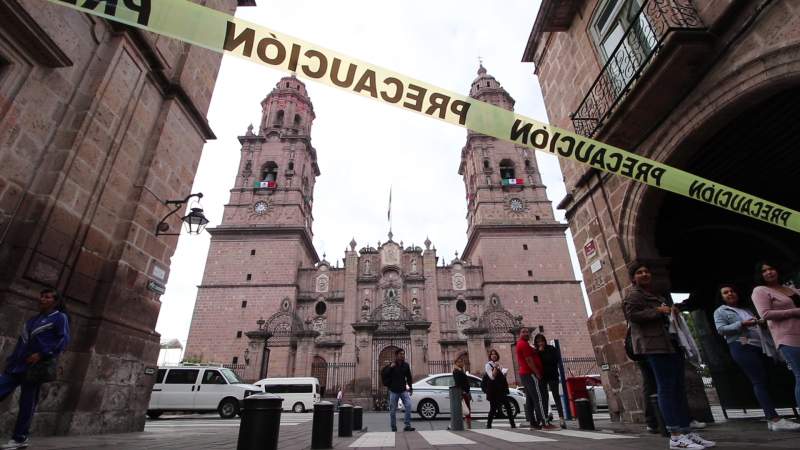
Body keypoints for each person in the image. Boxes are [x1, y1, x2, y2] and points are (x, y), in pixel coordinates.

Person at [623, 262, 714, 449]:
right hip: (653, 345)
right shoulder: (633, 296)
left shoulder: (656, 294)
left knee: (678, 389)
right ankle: (675, 434)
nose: (644, 274)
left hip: (670, 343)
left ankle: (686, 431)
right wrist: (657, 311)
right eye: (639, 272)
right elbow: (632, 315)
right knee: (666, 388)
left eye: (647, 271)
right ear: (633, 278)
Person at [715, 283, 799, 431]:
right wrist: (741, 323)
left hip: (761, 346)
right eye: (726, 292)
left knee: (769, 379)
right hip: (742, 346)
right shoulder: (721, 311)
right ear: (721, 297)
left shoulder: (746, 309)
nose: (730, 294)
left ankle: (774, 416)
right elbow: (721, 330)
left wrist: (760, 323)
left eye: (732, 291)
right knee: (759, 381)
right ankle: (773, 418)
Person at [1, 289, 70, 450]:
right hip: (17, 366)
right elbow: (21, 343)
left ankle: (20, 439)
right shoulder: (33, 320)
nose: (42, 299)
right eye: (42, 296)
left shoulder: (60, 317)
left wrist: (42, 354)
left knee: (27, 404)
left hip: (35, 368)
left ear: (55, 301)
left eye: (47, 297)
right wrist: (11, 361)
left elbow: (63, 340)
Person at [752, 261, 800, 413]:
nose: (769, 272)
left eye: (771, 268)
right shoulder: (760, 290)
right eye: (764, 270)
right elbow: (765, 314)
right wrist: (795, 311)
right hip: (788, 337)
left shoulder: (790, 289)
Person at [515, 327, 557, 430]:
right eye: (523, 332)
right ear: (519, 334)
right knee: (539, 399)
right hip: (530, 374)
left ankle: (533, 423)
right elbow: (529, 360)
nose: (526, 333)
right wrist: (537, 373)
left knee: (530, 399)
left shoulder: (523, 344)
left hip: (525, 374)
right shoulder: (523, 344)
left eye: (527, 332)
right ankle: (545, 423)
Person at [532, 334, 567, 429]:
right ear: (536, 343)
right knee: (544, 398)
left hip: (552, 375)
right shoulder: (536, 352)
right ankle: (545, 419)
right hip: (542, 377)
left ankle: (561, 419)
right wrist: (539, 353)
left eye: (542, 341)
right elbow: (536, 363)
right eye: (538, 341)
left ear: (545, 341)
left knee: (556, 397)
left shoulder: (551, 348)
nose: (540, 343)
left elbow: (555, 360)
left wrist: (543, 354)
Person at [381, 349, 415, 432]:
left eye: (403, 354)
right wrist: (390, 368)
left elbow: (409, 377)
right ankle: (393, 427)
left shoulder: (406, 365)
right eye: (401, 354)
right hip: (393, 391)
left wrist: (410, 387)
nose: (402, 355)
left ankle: (407, 425)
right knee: (392, 410)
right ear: (396, 355)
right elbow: (383, 374)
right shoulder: (391, 365)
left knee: (408, 405)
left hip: (403, 390)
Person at [484, 348, 515, 429]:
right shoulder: (488, 365)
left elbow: (500, 378)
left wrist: (504, 375)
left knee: (508, 407)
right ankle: (488, 425)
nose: (494, 355)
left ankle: (513, 424)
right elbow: (492, 377)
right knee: (493, 409)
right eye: (492, 354)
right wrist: (495, 367)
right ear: (490, 356)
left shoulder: (498, 364)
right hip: (494, 391)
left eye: (495, 354)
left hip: (501, 390)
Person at [452, 357, 472, 429]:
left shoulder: (460, 371)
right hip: (463, 393)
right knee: (466, 411)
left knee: (465, 410)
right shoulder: (456, 371)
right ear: (456, 363)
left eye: (462, 361)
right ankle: (468, 427)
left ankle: (468, 426)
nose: (461, 363)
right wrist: (462, 393)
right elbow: (458, 383)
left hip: (465, 392)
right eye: (459, 362)